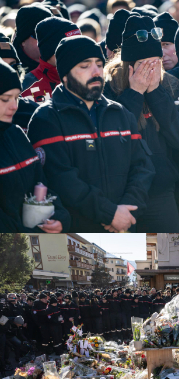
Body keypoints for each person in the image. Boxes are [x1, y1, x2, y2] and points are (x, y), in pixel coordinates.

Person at [27, 35, 155, 232]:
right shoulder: (47, 118)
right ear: (65, 75)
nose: (96, 72)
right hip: (77, 230)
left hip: (126, 225)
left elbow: (142, 167)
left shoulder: (120, 113)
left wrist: (128, 210)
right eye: (85, 66)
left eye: (99, 64)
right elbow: (60, 178)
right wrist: (109, 213)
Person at [103, 14, 179, 232]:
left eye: (155, 63)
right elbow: (115, 139)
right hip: (122, 194)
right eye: (142, 65)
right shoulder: (108, 89)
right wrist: (134, 93)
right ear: (128, 65)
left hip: (161, 193)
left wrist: (155, 92)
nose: (150, 70)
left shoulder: (171, 86)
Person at [0, 60, 70, 232]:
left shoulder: (16, 134)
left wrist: (59, 216)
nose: (14, 106)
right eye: (5, 99)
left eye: (17, 97)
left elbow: (41, 183)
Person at [20, 16, 80, 102]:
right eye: (67, 47)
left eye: (78, 47)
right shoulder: (25, 86)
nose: (75, 53)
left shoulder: (90, 77)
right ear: (49, 50)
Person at [12, 4, 54, 76]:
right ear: (23, 40)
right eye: (39, 35)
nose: (46, 40)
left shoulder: (61, 61)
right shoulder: (10, 67)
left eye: (51, 35)